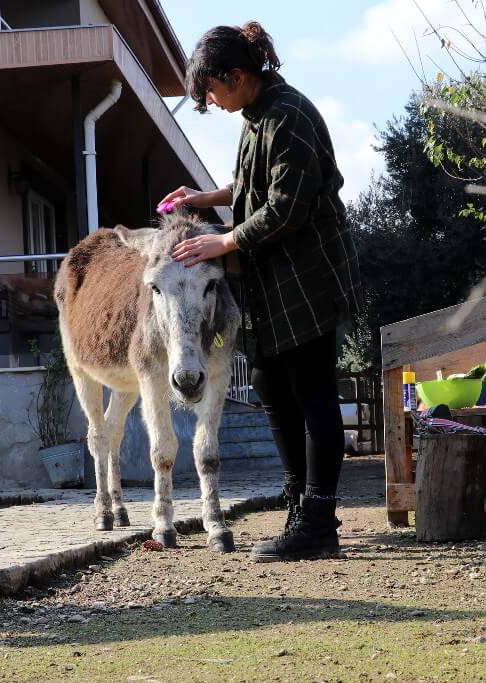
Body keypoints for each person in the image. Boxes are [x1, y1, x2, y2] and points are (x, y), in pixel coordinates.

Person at [159, 21, 361, 562]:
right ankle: (300, 508)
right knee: (273, 386)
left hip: (307, 273)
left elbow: (286, 208)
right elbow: (251, 189)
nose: (211, 101)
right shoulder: (257, 116)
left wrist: (221, 241)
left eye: (212, 90)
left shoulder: (288, 115)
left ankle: (319, 523)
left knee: (313, 393)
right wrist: (205, 198)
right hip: (274, 278)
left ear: (238, 75)